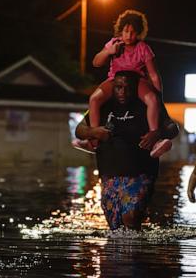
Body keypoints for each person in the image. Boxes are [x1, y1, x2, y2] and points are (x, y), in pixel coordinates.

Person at [75, 70, 178, 230]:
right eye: (118, 87)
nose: (122, 92)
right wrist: (94, 132)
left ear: (136, 88)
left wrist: (156, 133)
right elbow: (79, 129)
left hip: (141, 174)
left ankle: (134, 252)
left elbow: (173, 127)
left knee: (131, 218)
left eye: (127, 88)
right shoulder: (104, 105)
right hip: (110, 176)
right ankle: (127, 253)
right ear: (112, 87)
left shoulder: (147, 103)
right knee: (115, 227)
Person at [86, 9, 171, 157]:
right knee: (94, 99)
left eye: (133, 32)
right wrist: (108, 52)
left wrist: (159, 97)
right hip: (115, 79)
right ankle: (94, 139)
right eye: (126, 31)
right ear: (121, 30)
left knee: (152, 100)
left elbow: (153, 75)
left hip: (136, 82)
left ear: (138, 32)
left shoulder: (143, 48)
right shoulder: (114, 43)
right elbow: (96, 62)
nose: (129, 35)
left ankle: (156, 140)